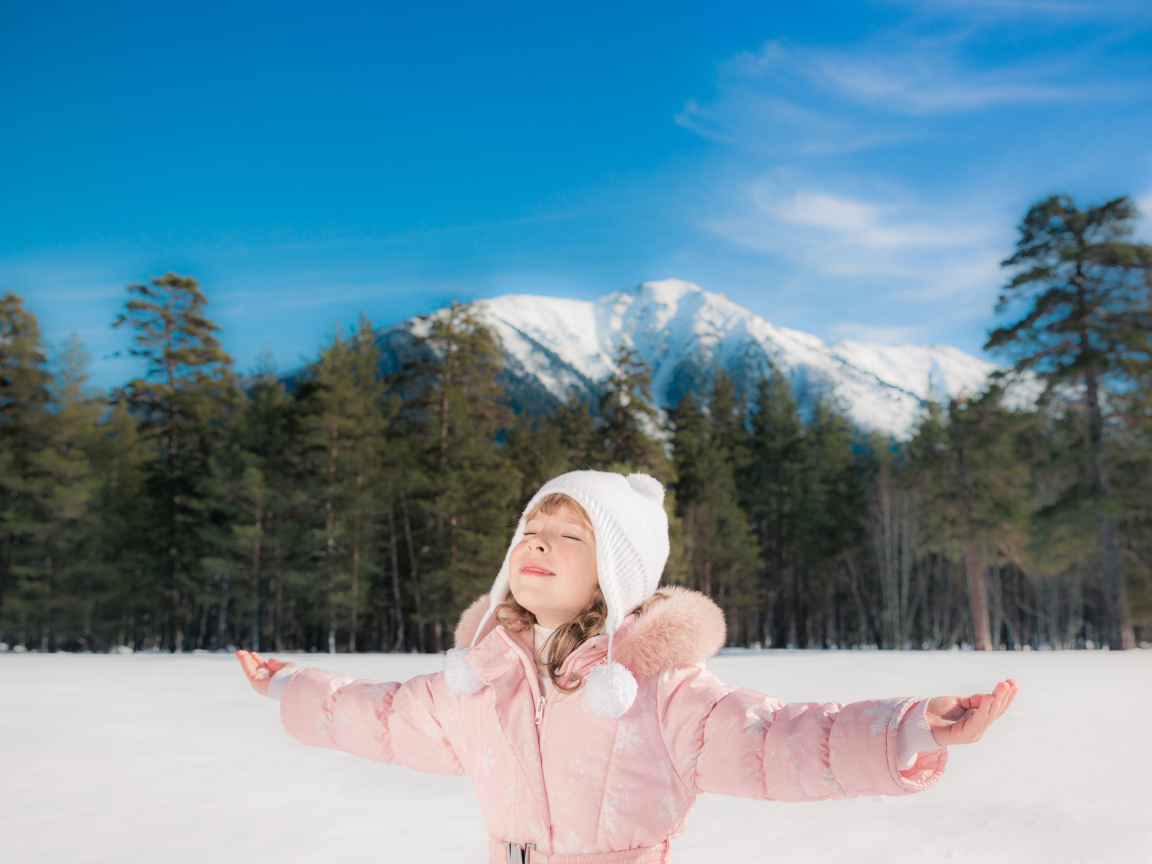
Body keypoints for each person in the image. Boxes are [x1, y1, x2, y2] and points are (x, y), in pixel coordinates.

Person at [237, 470, 1017, 864]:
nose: (537, 543)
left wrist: (912, 729)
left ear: (619, 574)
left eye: (568, 536)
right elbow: (378, 715)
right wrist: (289, 684)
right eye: (530, 530)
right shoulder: (479, 680)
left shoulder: (657, 689)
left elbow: (780, 740)